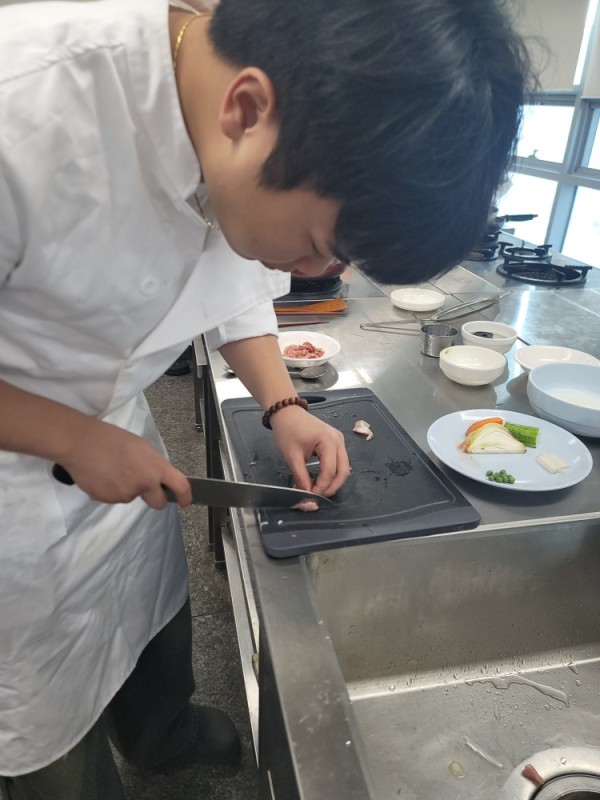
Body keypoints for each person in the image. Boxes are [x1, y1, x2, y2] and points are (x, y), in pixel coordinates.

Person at [0, 0, 530, 797]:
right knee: (43, 722)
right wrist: (72, 438)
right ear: (246, 109)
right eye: (320, 247)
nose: (323, 275)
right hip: (16, 487)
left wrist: (284, 405)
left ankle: (162, 736)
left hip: (117, 434)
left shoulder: (256, 130)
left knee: (146, 608)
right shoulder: (22, 107)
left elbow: (233, 273)